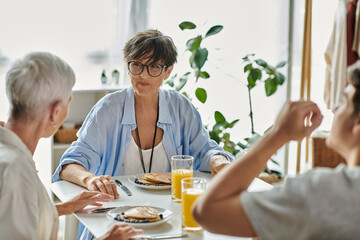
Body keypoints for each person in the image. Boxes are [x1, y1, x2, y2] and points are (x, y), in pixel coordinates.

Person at [193, 61, 360, 239]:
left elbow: (206, 210)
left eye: (343, 101)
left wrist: (278, 135)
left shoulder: (324, 193)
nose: (335, 108)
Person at [0, 52, 143, 240]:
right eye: (69, 102)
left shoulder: (9, 153)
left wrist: (62, 208)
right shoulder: (15, 173)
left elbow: (17, 218)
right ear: (55, 111)